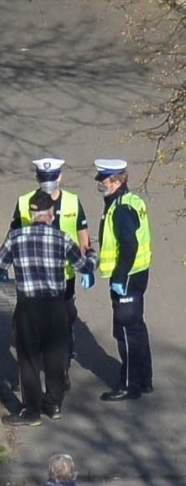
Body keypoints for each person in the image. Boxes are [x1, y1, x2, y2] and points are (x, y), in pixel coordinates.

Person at [0, 190, 95, 425]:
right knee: (56, 356)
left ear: (31, 213)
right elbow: (83, 265)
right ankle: (54, 404)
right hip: (54, 305)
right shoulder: (61, 238)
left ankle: (32, 411)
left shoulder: (16, 237)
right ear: (51, 213)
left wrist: (4, 275)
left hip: (28, 306)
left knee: (28, 360)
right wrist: (92, 255)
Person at [10, 158, 91, 354]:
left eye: (53, 177)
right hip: (35, 272)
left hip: (65, 272)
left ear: (60, 177)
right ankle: (44, 349)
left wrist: (86, 262)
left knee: (67, 312)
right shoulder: (25, 202)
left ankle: (64, 345)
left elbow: (82, 231)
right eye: (45, 178)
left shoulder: (72, 200)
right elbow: (14, 233)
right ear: (37, 177)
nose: (49, 182)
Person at [93, 159, 151, 401]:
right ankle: (144, 379)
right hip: (137, 272)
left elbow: (129, 244)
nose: (100, 184)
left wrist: (118, 275)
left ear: (116, 181)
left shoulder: (121, 209)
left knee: (126, 329)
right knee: (136, 327)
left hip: (126, 276)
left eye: (103, 180)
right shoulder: (130, 201)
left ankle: (129, 385)